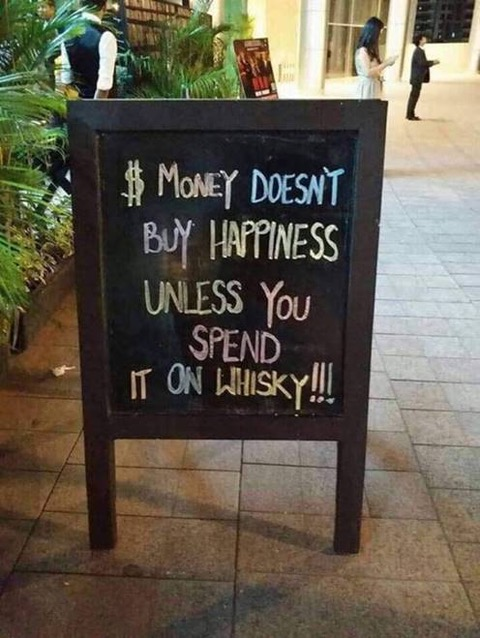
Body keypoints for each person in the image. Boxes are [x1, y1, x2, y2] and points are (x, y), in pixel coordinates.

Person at [59, 0, 117, 99]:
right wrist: (94, 108)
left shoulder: (68, 35)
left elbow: (65, 80)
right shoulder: (105, 36)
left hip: (79, 102)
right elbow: (104, 86)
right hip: (105, 105)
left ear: (80, 5)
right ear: (104, 7)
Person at [355, 17, 398, 99]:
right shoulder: (363, 51)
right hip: (367, 88)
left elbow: (375, 68)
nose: (379, 37)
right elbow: (368, 72)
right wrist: (386, 63)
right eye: (379, 34)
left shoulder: (371, 50)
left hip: (374, 86)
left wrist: (386, 62)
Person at [406, 34, 439, 120]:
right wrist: (433, 62)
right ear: (420, 40)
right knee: (414, 97)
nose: (425, 39)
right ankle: (410, 115)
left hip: (417, 78)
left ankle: (410, 114)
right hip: (417, 78)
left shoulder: (419, 50)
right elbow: (422, 63)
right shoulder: (419, 51)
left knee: (414, 96)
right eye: (424, 38)